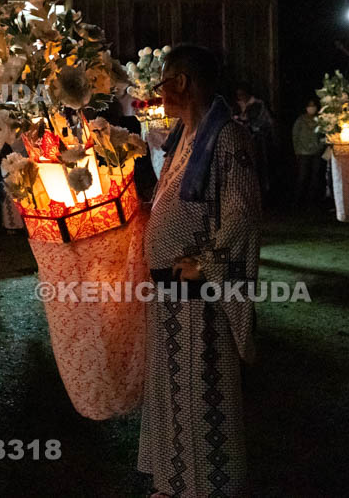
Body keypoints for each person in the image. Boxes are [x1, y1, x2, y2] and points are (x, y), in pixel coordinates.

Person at [139, 45, 262, 498]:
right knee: (172, 390)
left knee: (199, 391)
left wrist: (207, 266)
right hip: (169, 292)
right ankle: (174, 481)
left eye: (163, 83)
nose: (160, 93)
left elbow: (242, 215)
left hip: (198, 295)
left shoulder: (227, 138)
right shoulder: (183, 135)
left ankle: (207, 486)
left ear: (183, 82)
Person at [233, 83, 274, 195]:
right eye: (238, 95)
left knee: (258, 167)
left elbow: (266, 123)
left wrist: (249, 125)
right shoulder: (237, 106)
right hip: (240, 142)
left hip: (257, 142)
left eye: (242, 94)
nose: (240, 97)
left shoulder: (258, 105)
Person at [291, 98, 326, 208]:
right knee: (302, 176)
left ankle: (312, 201)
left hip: (316, 152)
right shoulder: (301, 120)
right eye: (309, 106)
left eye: (313, 106)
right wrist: (297, 150)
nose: (312, 108)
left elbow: (324, 136)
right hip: (303, 152)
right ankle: (298, 200)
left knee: (315, 176)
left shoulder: (321, 120)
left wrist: (320, 147)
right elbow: (295, 135)